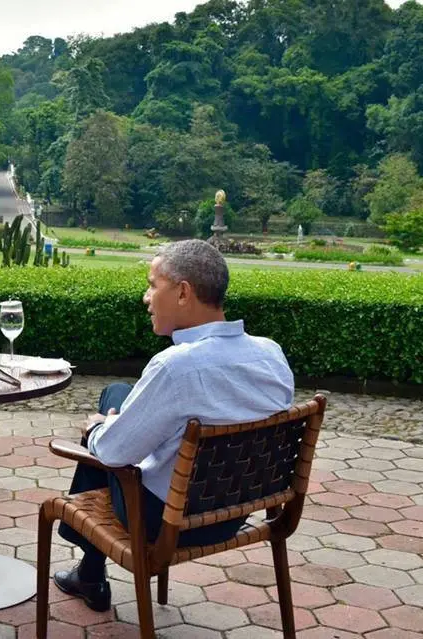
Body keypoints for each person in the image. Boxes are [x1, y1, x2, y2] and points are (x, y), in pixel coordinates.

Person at [55, 239, 295, 612]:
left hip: (163, 522)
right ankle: (88, 571)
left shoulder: (176, 366)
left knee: (111, 407)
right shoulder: (271, 354)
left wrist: (100, 428)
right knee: (121, 394)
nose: (145, 297)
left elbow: (115, 454)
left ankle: (90, 570)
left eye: (152, 284)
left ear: (183, 292)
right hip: (233, 514)